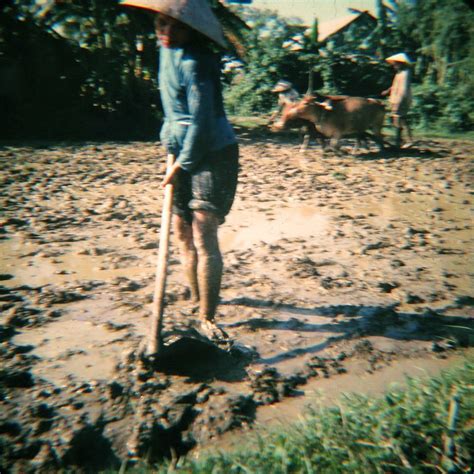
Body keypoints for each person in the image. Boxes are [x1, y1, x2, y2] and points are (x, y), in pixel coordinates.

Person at [121, 0, 239, 340]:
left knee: (203, 234)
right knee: (181, 232)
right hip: (179, 149)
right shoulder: (163, 53)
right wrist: (170, 147)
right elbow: (174, 111)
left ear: (192, 31)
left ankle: (207, 317)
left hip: (213, 152)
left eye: (176, 27)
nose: (167, 33)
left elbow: (201, 123)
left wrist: (182, 164)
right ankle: (195, 297)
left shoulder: (197, 63)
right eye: (161, 25)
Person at [381, 52, 414, 149]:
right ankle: (400, 140)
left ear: (401, 63)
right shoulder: (399, 73)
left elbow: (403, 88)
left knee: (400, 118)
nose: (394, 66)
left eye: (396, 64)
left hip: (401, 98)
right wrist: (388, 91)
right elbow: (395, 85)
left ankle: (407, 140)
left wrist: (399, 100)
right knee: (398, 119)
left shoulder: (405, 73)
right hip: (396, 98)